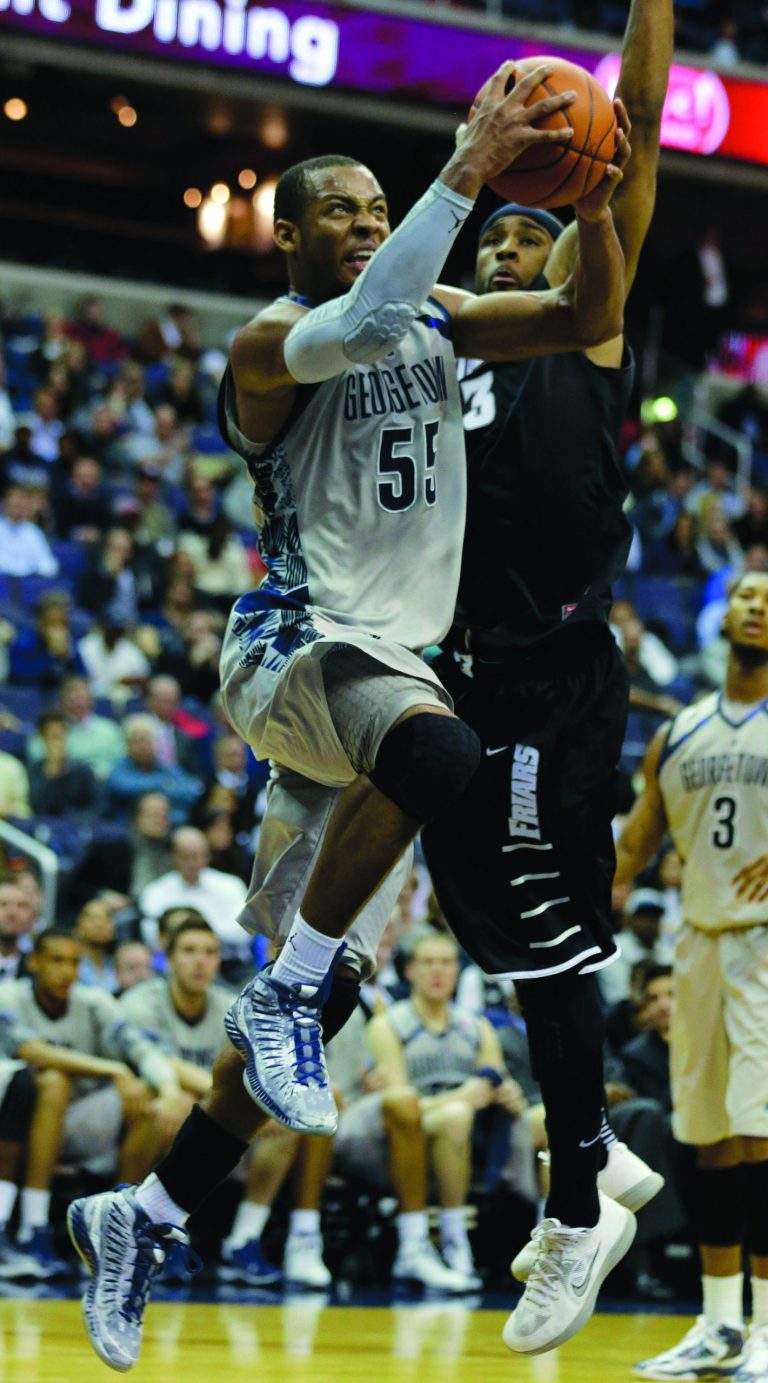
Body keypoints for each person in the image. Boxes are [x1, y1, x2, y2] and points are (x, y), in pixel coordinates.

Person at [67, 68, 629, 1372]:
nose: (371, 226)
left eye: (381, 207)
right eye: (343, 213)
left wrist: (593, 204)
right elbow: (367, 321)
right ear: (292, 237)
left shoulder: (436, 311)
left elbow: (590, 311)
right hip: (297, 652)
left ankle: (141, 1217)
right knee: (443, 753)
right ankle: (282, 992)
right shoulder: (269, 342)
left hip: (380, 684)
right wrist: (468, 168)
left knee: (303, 1019)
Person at [420, 0, 672, 1357]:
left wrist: (645, 17)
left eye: (541, 229)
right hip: (458, 673)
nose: (521, 241)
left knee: (547, 931)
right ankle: (605, 1159)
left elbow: (627, 151)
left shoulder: (585, 323)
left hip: (555, 670)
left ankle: (580, 1207)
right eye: (504, 230)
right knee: (495, 935)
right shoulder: (449, 338)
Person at [614, 570, 768, 1383]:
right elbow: (638, 837)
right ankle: (717, 1324)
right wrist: (596, 886)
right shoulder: (683, 730)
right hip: (699, 944)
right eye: (746, 592)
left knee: (760, 1129)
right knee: (707, 1134)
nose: (756, 602)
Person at [0, 929, 184, 1275]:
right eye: (57, 960)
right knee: (54, 1080)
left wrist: (168, 1089)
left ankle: (118, 1228)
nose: (67, 971)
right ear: (34, 962)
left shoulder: (94, 1002)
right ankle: (32, 1230)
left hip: (72, 1123)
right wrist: (112, 1069)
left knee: (146, 1099)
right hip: (12, 1122)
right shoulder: (7, 996)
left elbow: (139, 1048)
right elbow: (32, 1051)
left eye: (74, 962)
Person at [360, 930, 526, 1289]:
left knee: (538, 1120)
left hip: (472, 1138)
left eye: (447, 962)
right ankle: (454, 1241)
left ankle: (552, 1234)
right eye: (428, 962)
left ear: (457, 971)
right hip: (401, 1135)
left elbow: (496, 1077)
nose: (438, 971)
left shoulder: (476, 1026)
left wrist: (508, 1093)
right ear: (410, 971)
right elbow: (400, 1104)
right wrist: (461, 1099)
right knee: (454, 1116)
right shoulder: (388, 1025)